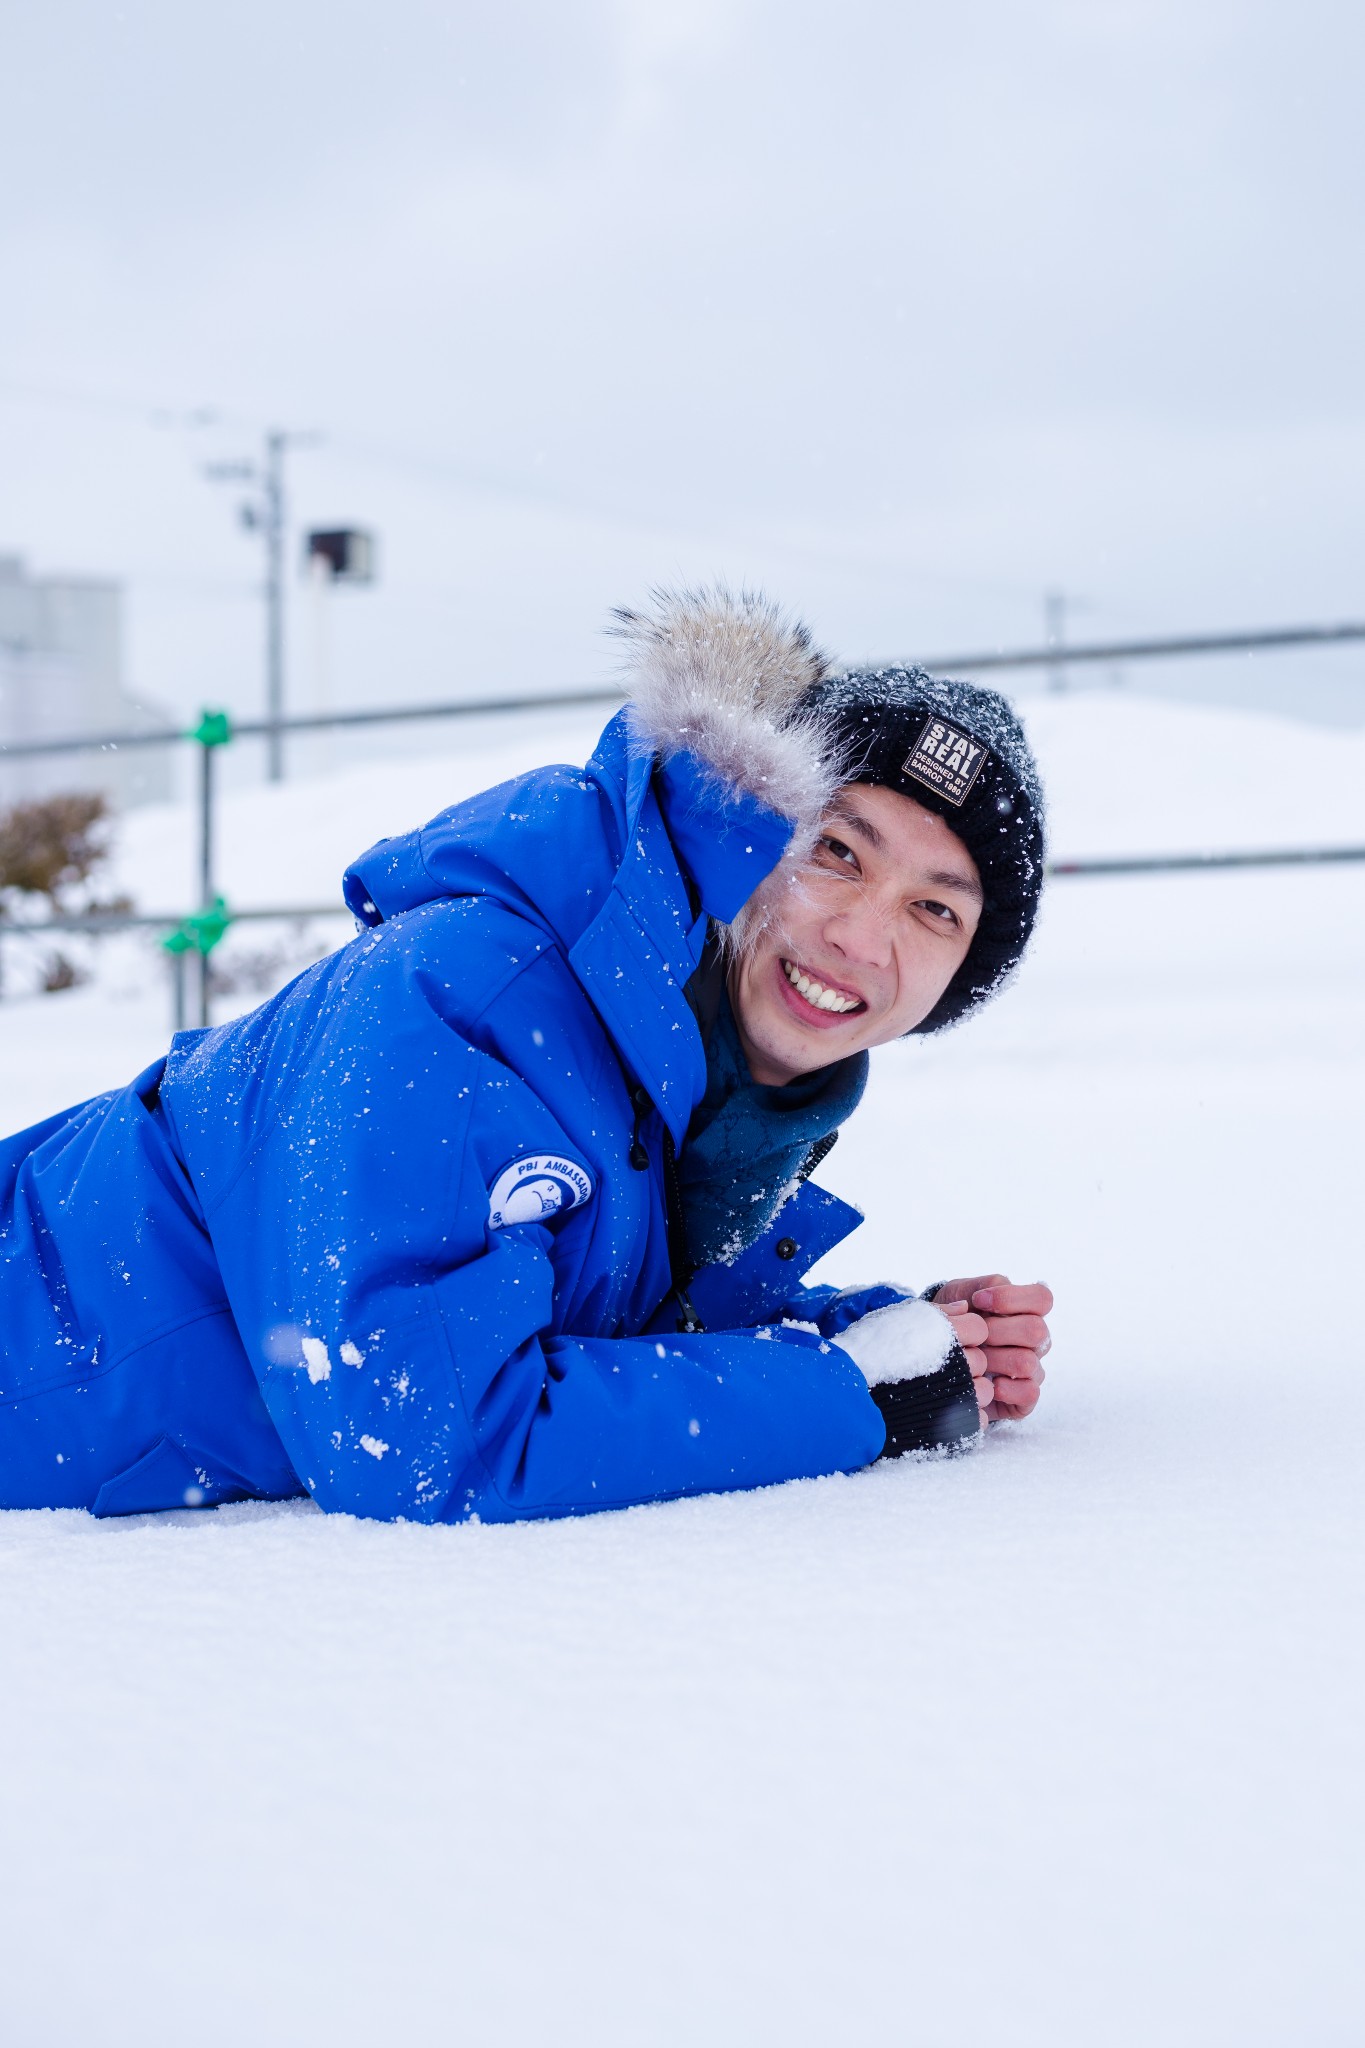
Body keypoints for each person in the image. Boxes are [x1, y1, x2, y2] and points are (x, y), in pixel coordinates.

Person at [0, 588, 1053, 1524]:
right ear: (749, 829)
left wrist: (886, 1339)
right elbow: (421, 1439)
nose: (863, 937)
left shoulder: (688, 1070)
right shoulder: (467, 992)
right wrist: (846, 1395)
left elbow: (582, 1310)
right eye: (836, 850)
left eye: (933, 909)